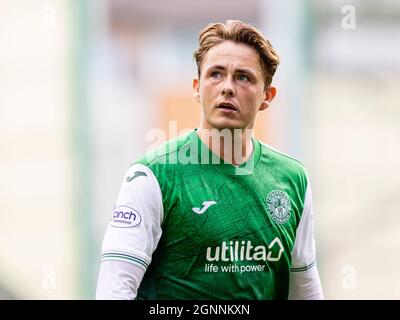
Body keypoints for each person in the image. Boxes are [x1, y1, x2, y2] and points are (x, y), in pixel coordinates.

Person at [96, 20, 324, 300]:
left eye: (243, 77)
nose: (227, 87)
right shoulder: (153, 175)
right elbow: (114, 291)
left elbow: (306, 291)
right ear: (196, 87)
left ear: (267, 96)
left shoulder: (292, 179)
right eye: (216, 74)